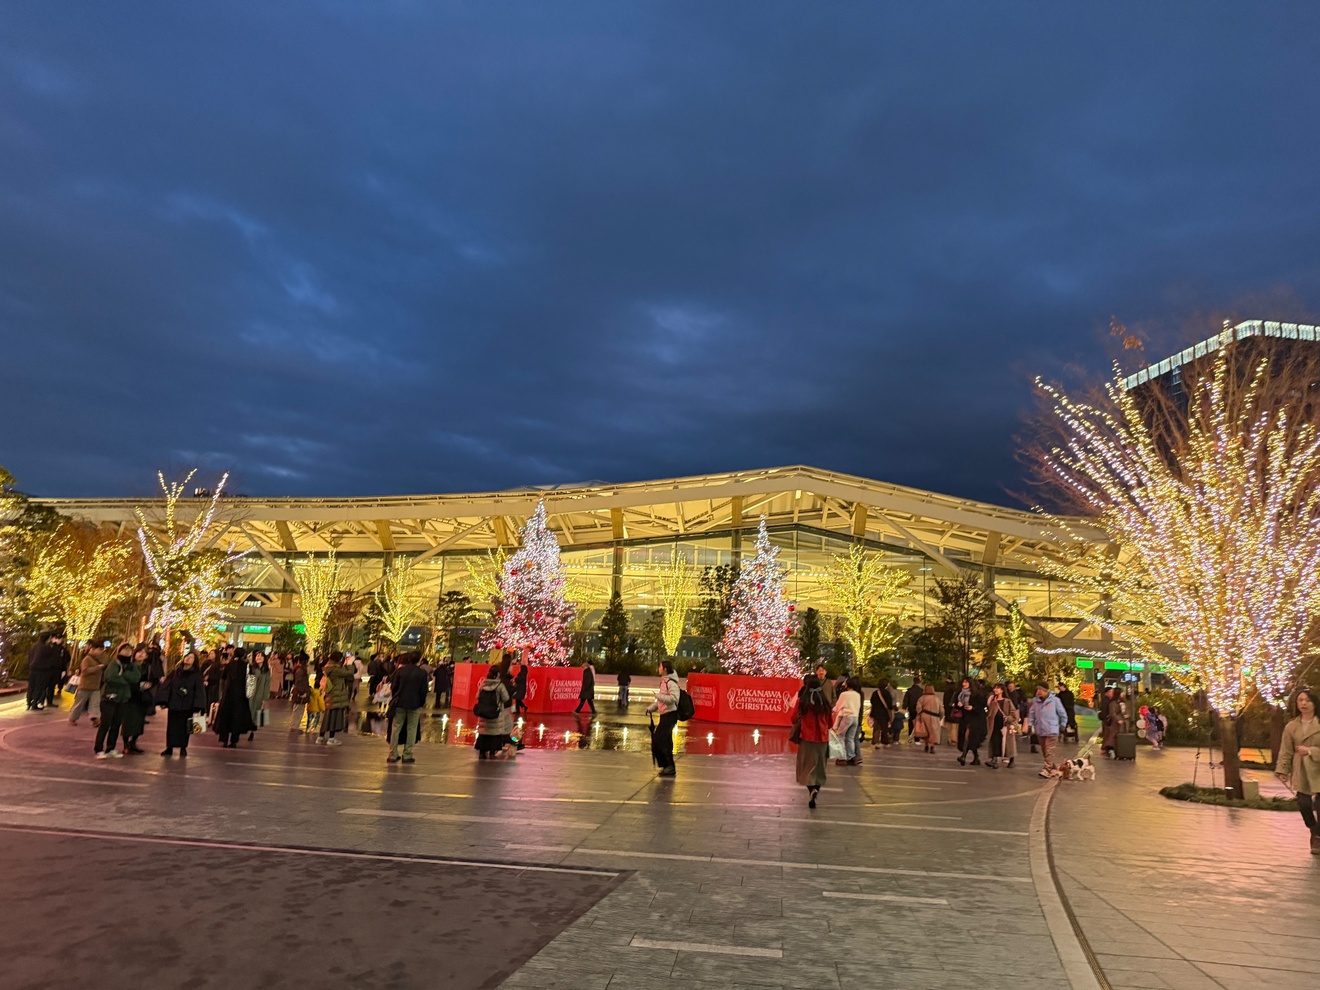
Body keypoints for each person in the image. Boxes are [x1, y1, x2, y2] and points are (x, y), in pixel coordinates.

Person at [1276, 688, 1320, 854]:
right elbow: (1286, 750)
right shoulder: (1292, 726)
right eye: (1300, 700)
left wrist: (1310, 751)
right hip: (1301, 769)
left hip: (1318, 767)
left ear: (1314, 703)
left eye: (1307, 700)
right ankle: (1314, 829)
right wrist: (1282, 770)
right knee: (1304, 804)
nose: (1303, 703)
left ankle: (1318, 838)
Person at [792, 673, 834, 808]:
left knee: (806, 768)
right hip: (822, 740)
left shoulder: (802, 702)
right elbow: (830, 723)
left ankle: (811, 791)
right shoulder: (825, 703)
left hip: (806, 739)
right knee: (819, 768)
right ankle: (816, 790)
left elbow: (793, 718)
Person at [158, 651, 207, 757]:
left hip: (187, 706)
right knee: (172, 728)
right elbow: (167, 686)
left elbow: (200, 691)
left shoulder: (197, 675)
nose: (188, 658)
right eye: (187, 656)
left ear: (195, 661)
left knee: (186, 728)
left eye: (191, 657)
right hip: (174, 704)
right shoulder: (175, 672)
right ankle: (169, 748)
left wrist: (199, 706)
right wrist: (163, 701)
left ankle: (183, 748)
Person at [94, 643, 138, 759]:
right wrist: (126, 681)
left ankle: (111, 748)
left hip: (123, 698)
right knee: (105, 724)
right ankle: (98, 749)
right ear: (119, 651)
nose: (127, 652)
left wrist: (124, 676)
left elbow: (136, 677)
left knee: (116, 724)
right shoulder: (114, 663)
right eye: (125, 649)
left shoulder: (132, 665)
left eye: (129, 650)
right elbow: (111, 677)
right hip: (109, 697)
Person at [387, 653, 429, 764]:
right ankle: (407, 754)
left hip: (399, 703)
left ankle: (392, 754)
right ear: (419, 661)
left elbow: (394, 687)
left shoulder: (400, 671)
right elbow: (423, 691)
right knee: (412, 729)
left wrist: (396, 697)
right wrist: (420, 703)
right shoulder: (422, 673)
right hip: (414, 704)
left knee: (396, 728)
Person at [214, 647, 256, 748]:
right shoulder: (246, 666)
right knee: (236, 717)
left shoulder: (229, 664)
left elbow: (223, 677)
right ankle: (234, 741)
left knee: (225, 716)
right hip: (241, 695)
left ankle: (224, 739)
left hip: (228, 694)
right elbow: (251, 679)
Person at [647, 660, 681, 777]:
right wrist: (652, 708)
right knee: (664, 742)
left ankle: (668, 766)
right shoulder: (664, 682)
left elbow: (674, 698)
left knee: (659, 740)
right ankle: (668, 766)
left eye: (660, 667)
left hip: (670, 715)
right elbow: (662, 701)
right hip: (664, 715)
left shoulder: (671, 683)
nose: (659, 668)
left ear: (665, 669)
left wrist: (658, 696)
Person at [1027, 682, 1068, 778]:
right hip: (1040, 730)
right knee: (1045, 751)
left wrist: (1063, 725)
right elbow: (1031, 714)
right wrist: (1030, 725)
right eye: (1038, 689)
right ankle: (1053, 768)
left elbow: (1063, 714)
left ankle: (1046, 769)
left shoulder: (1055, 701)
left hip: (1052, 730)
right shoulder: (1035, 701)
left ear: (1045, 691)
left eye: (1040, 689)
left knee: (1049, 750)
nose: (1038, 691)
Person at [119, 644, 154, 754]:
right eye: (139, 652)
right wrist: (138, 686)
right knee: (128, 722)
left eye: (143, 653)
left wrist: (149, 684)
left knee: (139, 723)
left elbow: (153, 680)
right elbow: (126, 679)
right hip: (130, 696)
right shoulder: (129, 665)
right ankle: (125, 744)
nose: (141, 654)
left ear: (146, 656)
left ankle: (133, 743)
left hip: (141, 698)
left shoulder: (147, 667)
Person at [474, 663, 513, 759]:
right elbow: (506, 698)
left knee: (484, 733)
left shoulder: (483, 684)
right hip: (495, 714)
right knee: (494, 734)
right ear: (498, 674)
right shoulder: (500, 685)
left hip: (484, 714)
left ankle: (482, 752)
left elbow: (477, 696)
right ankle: (492, 753)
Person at [317, 652, 355, 746]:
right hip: (337, 696)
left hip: (330, 695)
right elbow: (349, 673)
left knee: (327, 717)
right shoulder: (335, 669)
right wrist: (349, 664)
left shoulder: (329, 667)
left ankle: (320, 737)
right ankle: (331, 738)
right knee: (335, 717)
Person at [69, 642, 107, 726]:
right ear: (92, 649)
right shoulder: (87, 659)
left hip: (96, 686)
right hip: (85, 685)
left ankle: (95, 718)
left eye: (102, 650)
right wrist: (97, 667)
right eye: (99, 649)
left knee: (95, 704)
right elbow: (85, 670)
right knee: (79, 704)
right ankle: (72, 718)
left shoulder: (101, 658)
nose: (101, 651)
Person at [985, 683, 1018, 769]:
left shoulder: (1007, 701)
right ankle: (994, 760)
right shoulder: (993, 700)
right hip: (994, 724)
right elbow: (989, 711)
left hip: (1005, 724)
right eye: (995, 688)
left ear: (1002, 690)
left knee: (1008, 743)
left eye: (998, 688)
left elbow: (1013, 713)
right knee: (995, 741)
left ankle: (1012, 759)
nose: (995, 690)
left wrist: (1008, 718)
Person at [832, 676, 862, 766]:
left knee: (840, 736)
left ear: (847, 684)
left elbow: (838, 705)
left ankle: (842, 757)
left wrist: (833, 710)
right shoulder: (857, 695)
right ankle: (851, 756)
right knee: (850, 738)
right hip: (855, 717)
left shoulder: (844, 694)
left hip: (846, 716)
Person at [958, 684, 988, 766]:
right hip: (966, 718)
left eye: (966, 682)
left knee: (968, 737)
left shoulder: (978, 695)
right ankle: (976, 757)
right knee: (970, 739)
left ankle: (963, 756)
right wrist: (960, 705)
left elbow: (982, 707)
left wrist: (973, 708)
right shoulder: (961, 694)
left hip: (976, 720)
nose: (964, 684)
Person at [246, 652, 272, 741]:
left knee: (257, 712)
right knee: (250, 711)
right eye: (257, 656)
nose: (258, 657)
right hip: (251, 694)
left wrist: (265, 697)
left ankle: (252, 731)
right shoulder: (252, 668)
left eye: (260, 656)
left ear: (264, 658)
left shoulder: (267, 671)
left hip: (260, 694)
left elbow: (267, 684)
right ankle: (247, 727)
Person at [869, 679, 894, 747]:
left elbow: (872, 701)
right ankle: (885, 741)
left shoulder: (875, 693)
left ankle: (875, 741)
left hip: (876, 713)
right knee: (884, 728)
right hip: (884, 713)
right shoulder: (887, 693)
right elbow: (889, 704)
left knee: (876, 727)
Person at [903, 677, 924, 742]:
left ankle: (910, 736)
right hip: (920, 709)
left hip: (911, 709)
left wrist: (904, 708)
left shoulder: (909, 691)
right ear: (919, 682)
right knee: (918, 723)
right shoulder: (921, 691)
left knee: (911, 722)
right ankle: (917, 738)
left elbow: (906, 700)